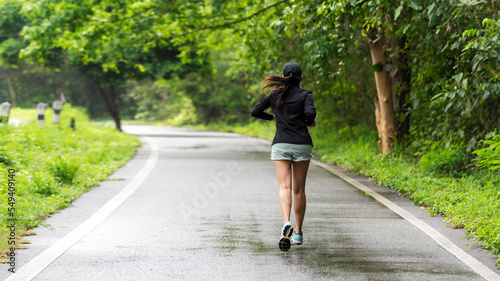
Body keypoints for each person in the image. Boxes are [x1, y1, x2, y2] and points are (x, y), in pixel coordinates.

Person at [251, 62, 316, 252]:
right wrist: (309, 121)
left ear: (284, 76)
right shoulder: (306, 95)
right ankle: (298, 232)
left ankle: (286, 222)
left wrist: (274, 117)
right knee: (299, 190)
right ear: (300, 77)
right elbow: (310, 113)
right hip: (302, 143)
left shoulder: (275, 95)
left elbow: (255, 111)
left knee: (284, 187)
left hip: (281, 144)